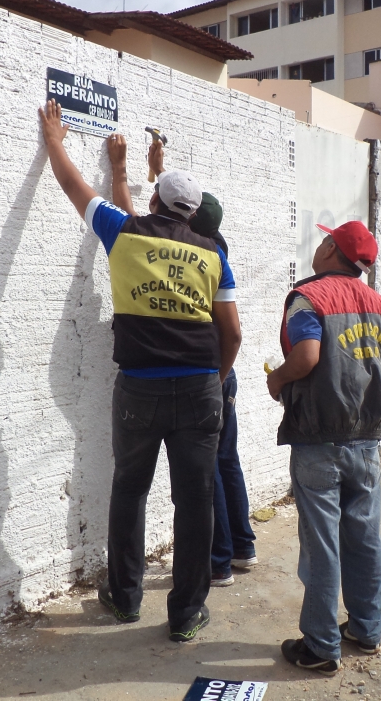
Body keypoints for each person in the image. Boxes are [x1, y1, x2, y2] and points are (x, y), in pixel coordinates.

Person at [38, 100, 242, 643]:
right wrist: (216, 381)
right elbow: (235, 333)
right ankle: (185, 614)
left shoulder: (124, 233)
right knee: (195, 500)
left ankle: (125, 598)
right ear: (192, 213)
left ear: (155, 201)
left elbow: (74, 187)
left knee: (130, 489)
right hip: (200, 387)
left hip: (138, 389)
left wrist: (55, 138)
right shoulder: (213, 254)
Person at [266, 221, 381, 675]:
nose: (319, 245)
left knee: (322, 545)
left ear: (330, 249)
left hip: (320, 440)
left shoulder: (310, 298)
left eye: (325, 240)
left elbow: (306, 356)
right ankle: (366, 629)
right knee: (364, 537)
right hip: (366, 441)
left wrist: (278, 377)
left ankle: (322, 646)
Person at [187, 193, 258, 586]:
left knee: (210, 466)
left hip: (209, 373)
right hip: (224, 373)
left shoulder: (199, 252)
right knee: (227, 460)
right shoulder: (219, 247)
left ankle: (218, 561)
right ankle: (243, 547)